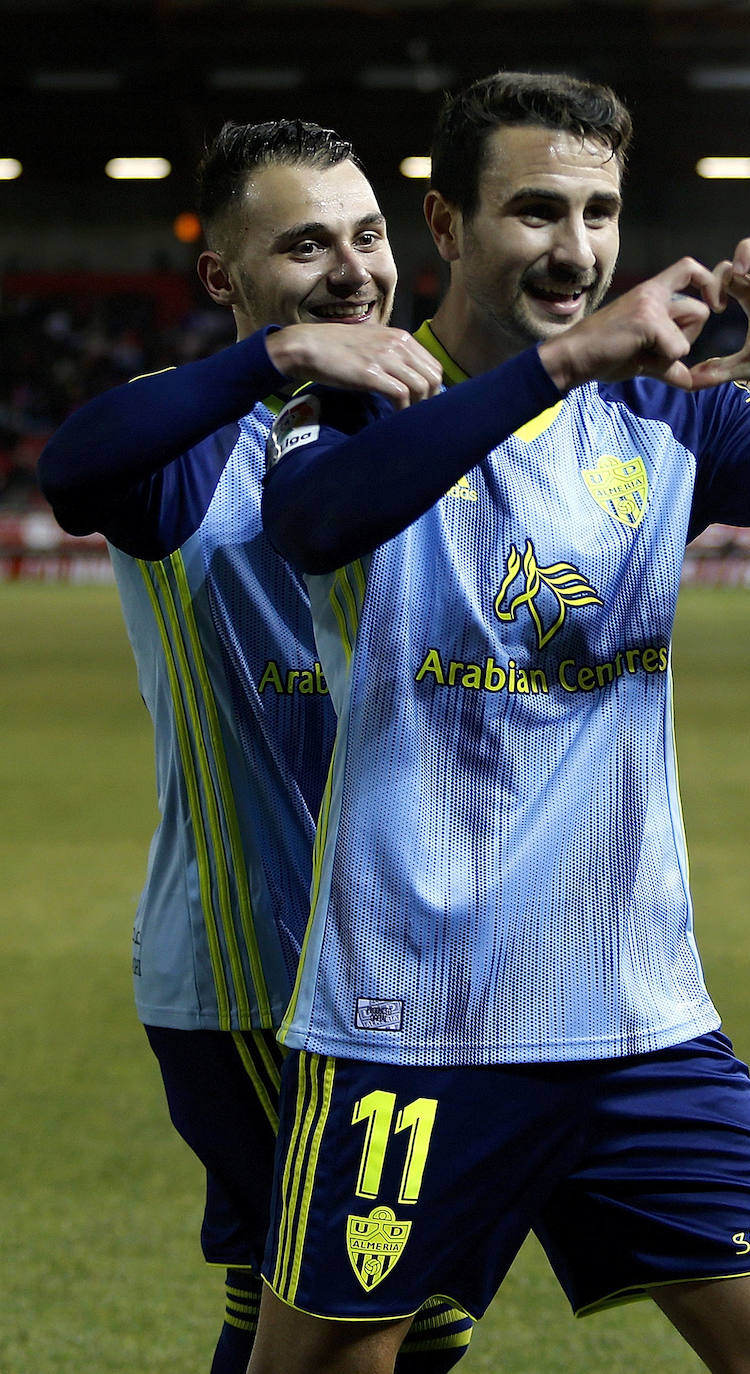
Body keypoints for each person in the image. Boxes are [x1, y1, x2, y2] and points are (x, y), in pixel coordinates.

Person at [250, 72, 750, 1374]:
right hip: (418, 1020)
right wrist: (560, 363)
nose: (574, 249)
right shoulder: (362, 399)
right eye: (534, 210)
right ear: (448, 226)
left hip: (637, 1014)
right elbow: (312, 524)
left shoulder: (665, 414)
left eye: (598, 212)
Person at [36, 119, 474, 1374]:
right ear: (223, 279)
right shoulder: (183, 451)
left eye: (369, 234)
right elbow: (74, 468)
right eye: (303, 246)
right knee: (387, 1314)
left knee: (280, 1302)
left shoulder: (422, 423)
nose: (352, 269)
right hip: (258, 974)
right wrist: (281, 355)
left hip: (406, 964)